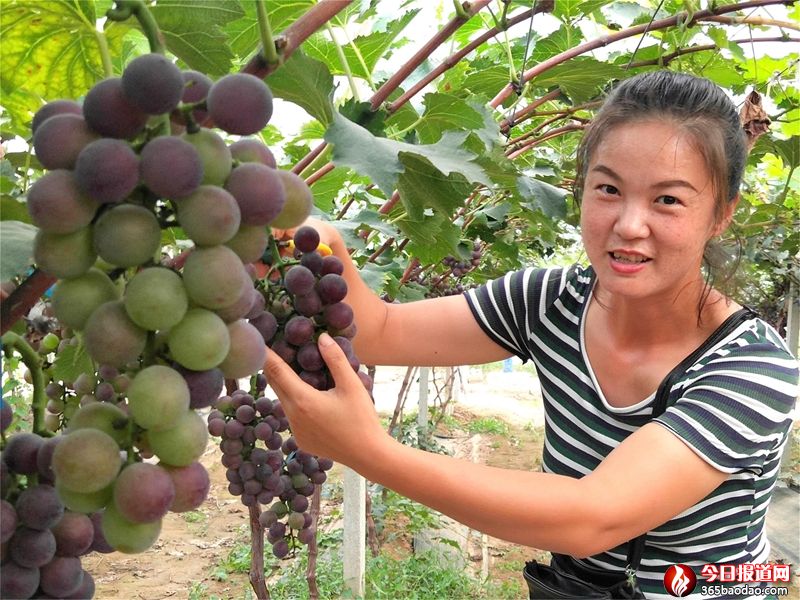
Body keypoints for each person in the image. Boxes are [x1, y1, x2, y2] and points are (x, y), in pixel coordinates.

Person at [265, 71, 799, 599]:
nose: (629, 224)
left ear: (721, 214)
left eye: (668, 200)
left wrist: (370, 453)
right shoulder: (550, 302)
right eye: (608, 189)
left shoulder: (754, 367)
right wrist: (323, 247)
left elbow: (594, 517)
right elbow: (380, 329)